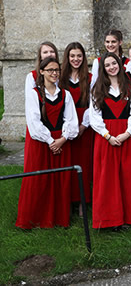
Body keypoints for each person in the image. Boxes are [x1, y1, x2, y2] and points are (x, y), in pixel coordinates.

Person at [16, 57, 79, 229]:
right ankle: (34, 220)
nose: (54, 73)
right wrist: (51, 141)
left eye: (57, 70)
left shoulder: (65, 94)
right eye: (50, 70)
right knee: (39, 181)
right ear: (41, 72)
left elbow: (71, 120)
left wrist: (63, 139)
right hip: (42, 143)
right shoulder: (34, 93)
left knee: (60, 180)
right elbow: (34, 122)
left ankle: (58, 219)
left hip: (61, 141)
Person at [90, 53, 131, 230]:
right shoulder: (98, 90)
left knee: (127, 178)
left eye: (114, 63)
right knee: (107, 179)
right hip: (106, 139)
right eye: (107, 65)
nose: (112, 67)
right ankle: (107, 219)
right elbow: (94, 117)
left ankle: (126, 217)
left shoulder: (130, 88)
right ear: (103, 69)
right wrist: (108, 136)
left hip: (126, 137)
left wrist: (126, 133)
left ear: (120, 65)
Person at [60, 43, 94, 210]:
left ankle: (82, 202)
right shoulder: (60, 78)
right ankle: (67, 200)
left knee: (84, 163)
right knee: (67, 162)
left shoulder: (89, 77)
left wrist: (83, 126)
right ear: (67, 57)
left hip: (84, 125)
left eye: (79, 56)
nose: (76, 59)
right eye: (72, 56)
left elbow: (92, 104)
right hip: (66, 124)